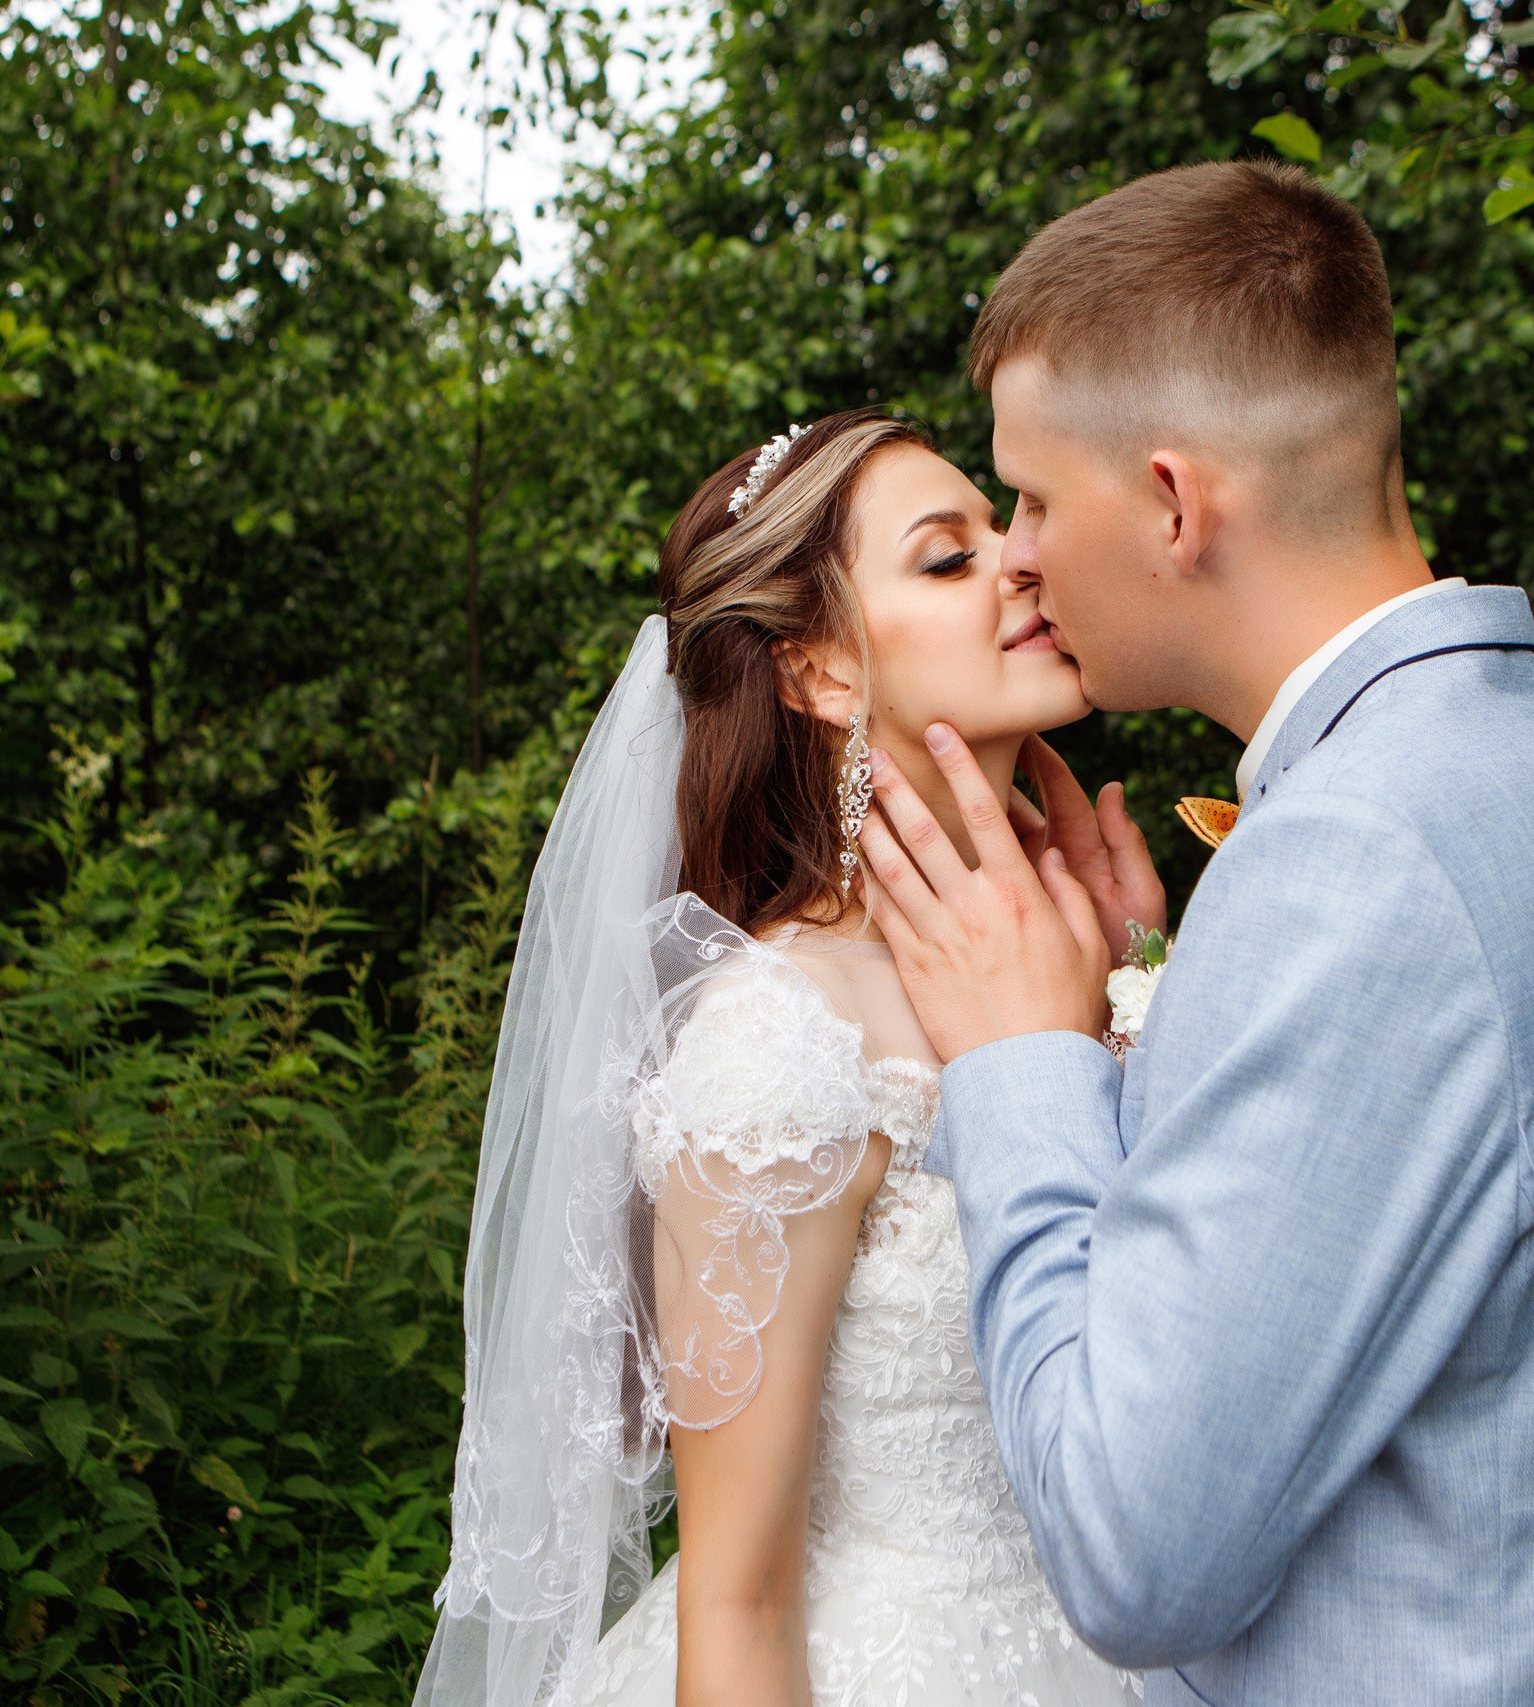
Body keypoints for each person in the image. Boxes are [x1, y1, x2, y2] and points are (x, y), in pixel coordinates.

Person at [854, 162, 1534, 1704]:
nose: (1021, 556)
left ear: (1178, 504)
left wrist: (1022, 1065)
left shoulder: (1356, 860)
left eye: (1038, 498)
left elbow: (1139, 1557)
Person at [412, 408, 1140, 1707]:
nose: (1018, 563)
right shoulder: (782, 1045)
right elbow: (736, 1600)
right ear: (819, 673)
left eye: (1001, 528)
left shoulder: (1093, 962)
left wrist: (1131, 964)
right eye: (944, 556)